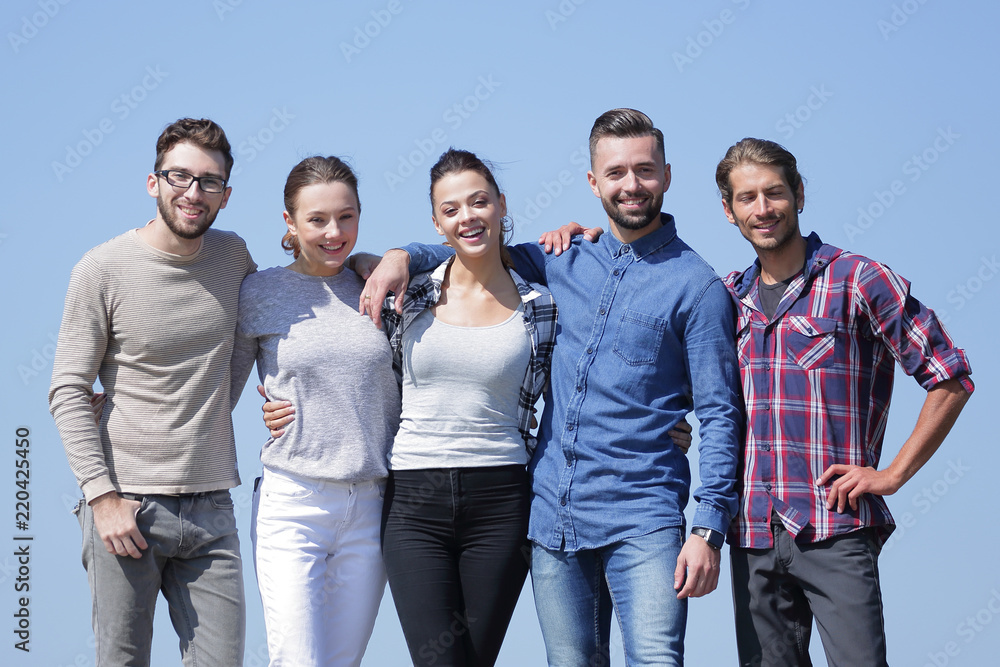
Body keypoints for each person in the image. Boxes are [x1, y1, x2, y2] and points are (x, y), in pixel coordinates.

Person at [355, 109, 743, 666]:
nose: (631, 184)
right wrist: (401, 256)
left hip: (645, 516)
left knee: (656, 660)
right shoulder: (563, 261)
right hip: (554, 517)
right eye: (615, 173)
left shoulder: (698, 287)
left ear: (667, 175)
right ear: (593, 182)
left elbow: (722, 414)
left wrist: (708, 528)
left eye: (644, 170)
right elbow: (473, 248)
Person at [264, 148, 557, 666]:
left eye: (479, 201)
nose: (467, 216)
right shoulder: (408, 294)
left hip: (502, 500)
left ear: (502, 204)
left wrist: (669, 418)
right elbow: (336, 360)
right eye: (451, 209)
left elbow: (593, 365)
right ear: (436, 223)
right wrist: (274, 401)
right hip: (412, 502)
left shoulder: (543, 297)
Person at [714, 138, 973, 666]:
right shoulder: (725, 298)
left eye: (774, 193)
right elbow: (690, 394)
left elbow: (950, 377)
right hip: (752, 534)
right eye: (747, 198)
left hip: (836, 527)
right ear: (729, 210)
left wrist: (893, 474)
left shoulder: (858, 279)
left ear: (799, 194)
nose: (762, 209)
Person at [49, 118, 254, 666]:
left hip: (213, 506)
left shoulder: (234, 258)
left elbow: (261, 331)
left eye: (209, 182)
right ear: (153, 182)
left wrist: (363, 262)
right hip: (127, 506)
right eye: (179, 176)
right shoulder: (101, 268)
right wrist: (102, 496)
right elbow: (67, 389)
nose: (193, 192)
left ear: (226, 195)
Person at [229, 156, 400, 665]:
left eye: (346, 217)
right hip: (293, 501)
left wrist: (389, 256)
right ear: (289, 223)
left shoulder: (384, 287)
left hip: (372, 504)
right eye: (317, 219)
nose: (334, 232)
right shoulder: (259, 291)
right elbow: (222, 388)